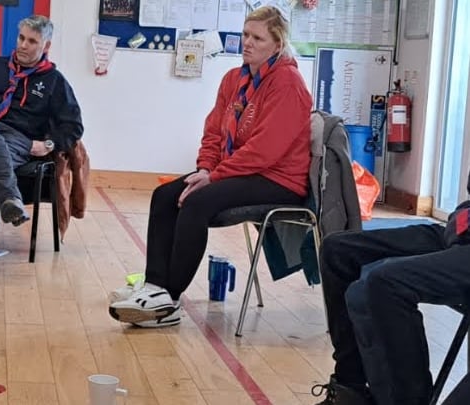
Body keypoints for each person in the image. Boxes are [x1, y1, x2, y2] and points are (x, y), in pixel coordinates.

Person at [107, 6, 312, 327]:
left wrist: (214, 177)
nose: (247, 43)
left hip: (278, 179)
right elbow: (214, 132)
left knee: (197, 201)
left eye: (257, 38)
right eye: (245, 34)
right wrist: (205, 169)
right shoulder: (235, 79)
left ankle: (169, 301)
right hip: (241, 170)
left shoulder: (287, 82)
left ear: (277, 44)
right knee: (164, 195)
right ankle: (155, 285)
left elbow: (265, 151)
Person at [310, 174, 470, 405]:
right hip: (461, 233)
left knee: (386, 282)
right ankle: (350, 389)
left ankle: (409, 401)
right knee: (338, 250)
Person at [0, 14, 85, 274]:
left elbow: (73, 126)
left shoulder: (54, 82)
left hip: (16, 141)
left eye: (32, 41)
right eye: (21, 38)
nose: (23, 45)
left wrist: (47, 144)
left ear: (45, 46)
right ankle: (10, 196)